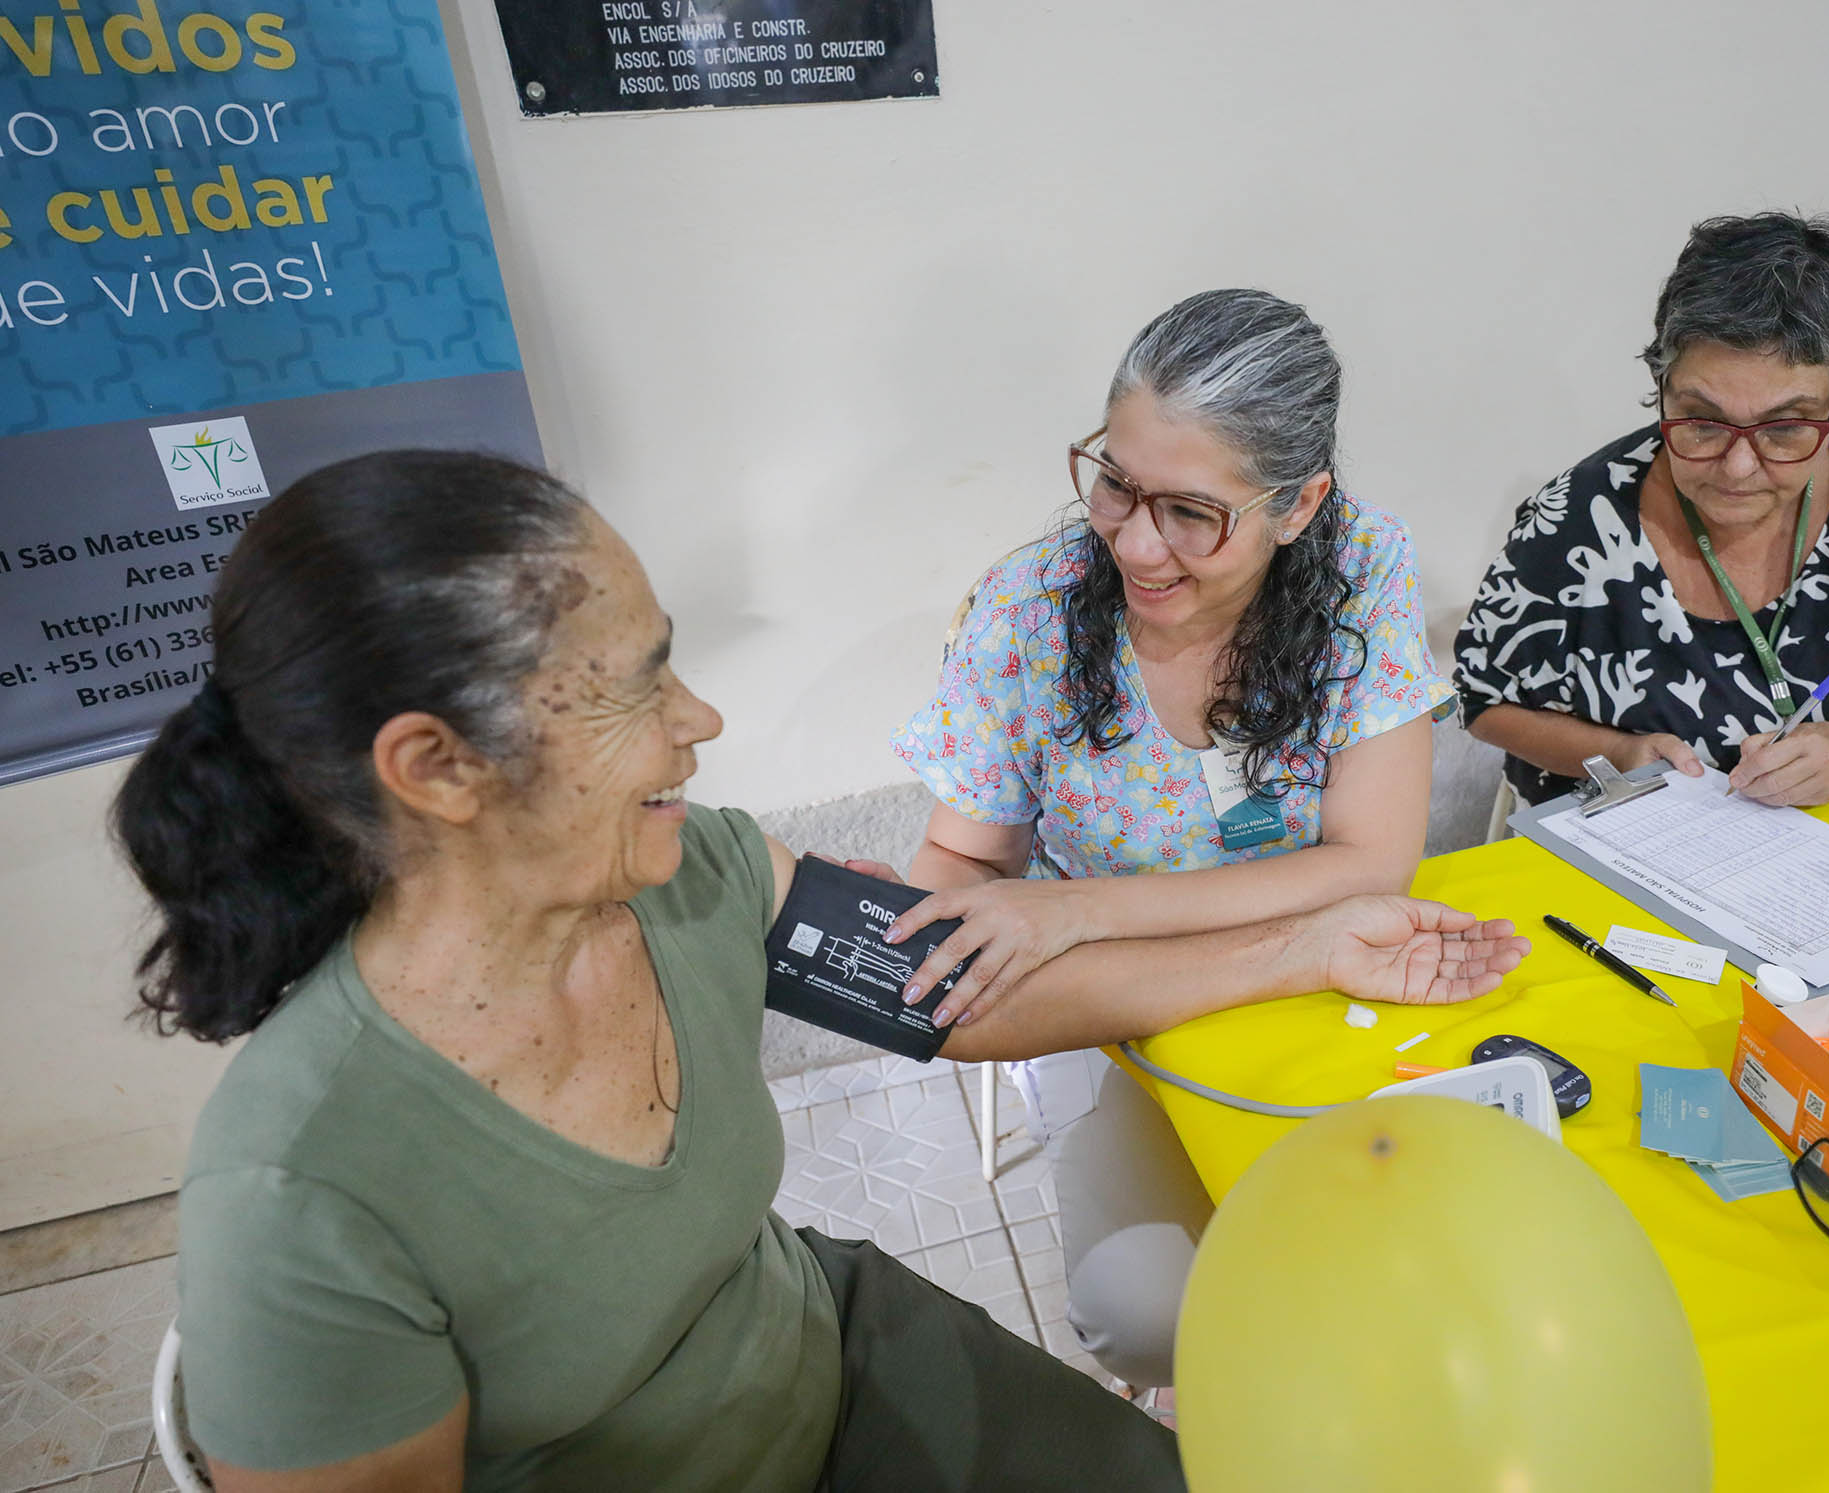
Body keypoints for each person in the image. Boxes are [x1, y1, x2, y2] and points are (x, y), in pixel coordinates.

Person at [112, 451, 1529, 1492]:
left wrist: (1302, 946)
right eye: (632, 685)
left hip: (838, 1360)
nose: (702, 718)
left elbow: (960, 988)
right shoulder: (305, 1195)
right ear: (436, 767)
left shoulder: (693, 881)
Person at [886, 289, 1478, 1392]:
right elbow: (963, 860)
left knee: (1416, 1258)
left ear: (1298, 505)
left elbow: (1369, 860)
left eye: (1191, 512)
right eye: (1114, 482)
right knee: (1149, 1313)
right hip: (1117, 1000)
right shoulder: (1033, 609)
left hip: (1314, 968)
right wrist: (937, 919)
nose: (1135, 543)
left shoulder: (1361, 569)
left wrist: (1080, 904)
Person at [1454, 212, 1829, 813]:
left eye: (1784, 429)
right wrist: (1622, 751)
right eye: (1701, 421)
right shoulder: (1576, 520)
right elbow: (1486, 702)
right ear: (1661, 386)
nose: (1738, 467)